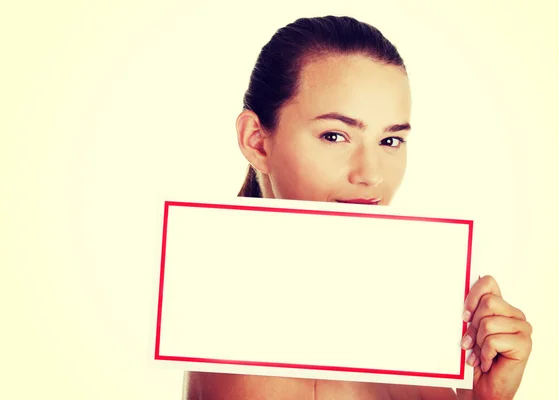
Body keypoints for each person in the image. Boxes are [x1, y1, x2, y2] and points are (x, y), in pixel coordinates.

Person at [184, 16, 532, 400]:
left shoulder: (410, 318)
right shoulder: (241, 331)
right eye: (335, 135)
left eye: (390, 140)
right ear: (257, 142)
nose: (371, 176)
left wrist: (486, 398)